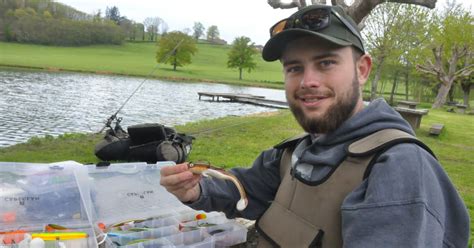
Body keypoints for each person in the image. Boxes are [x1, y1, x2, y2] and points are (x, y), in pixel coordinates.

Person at [160, 4, 470, 247]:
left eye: (326, 63)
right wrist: (196, 188)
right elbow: (245, 189)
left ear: (362, 70)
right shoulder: (298, 151)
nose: (308, 81)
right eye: (294, 68)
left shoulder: (397, 168)